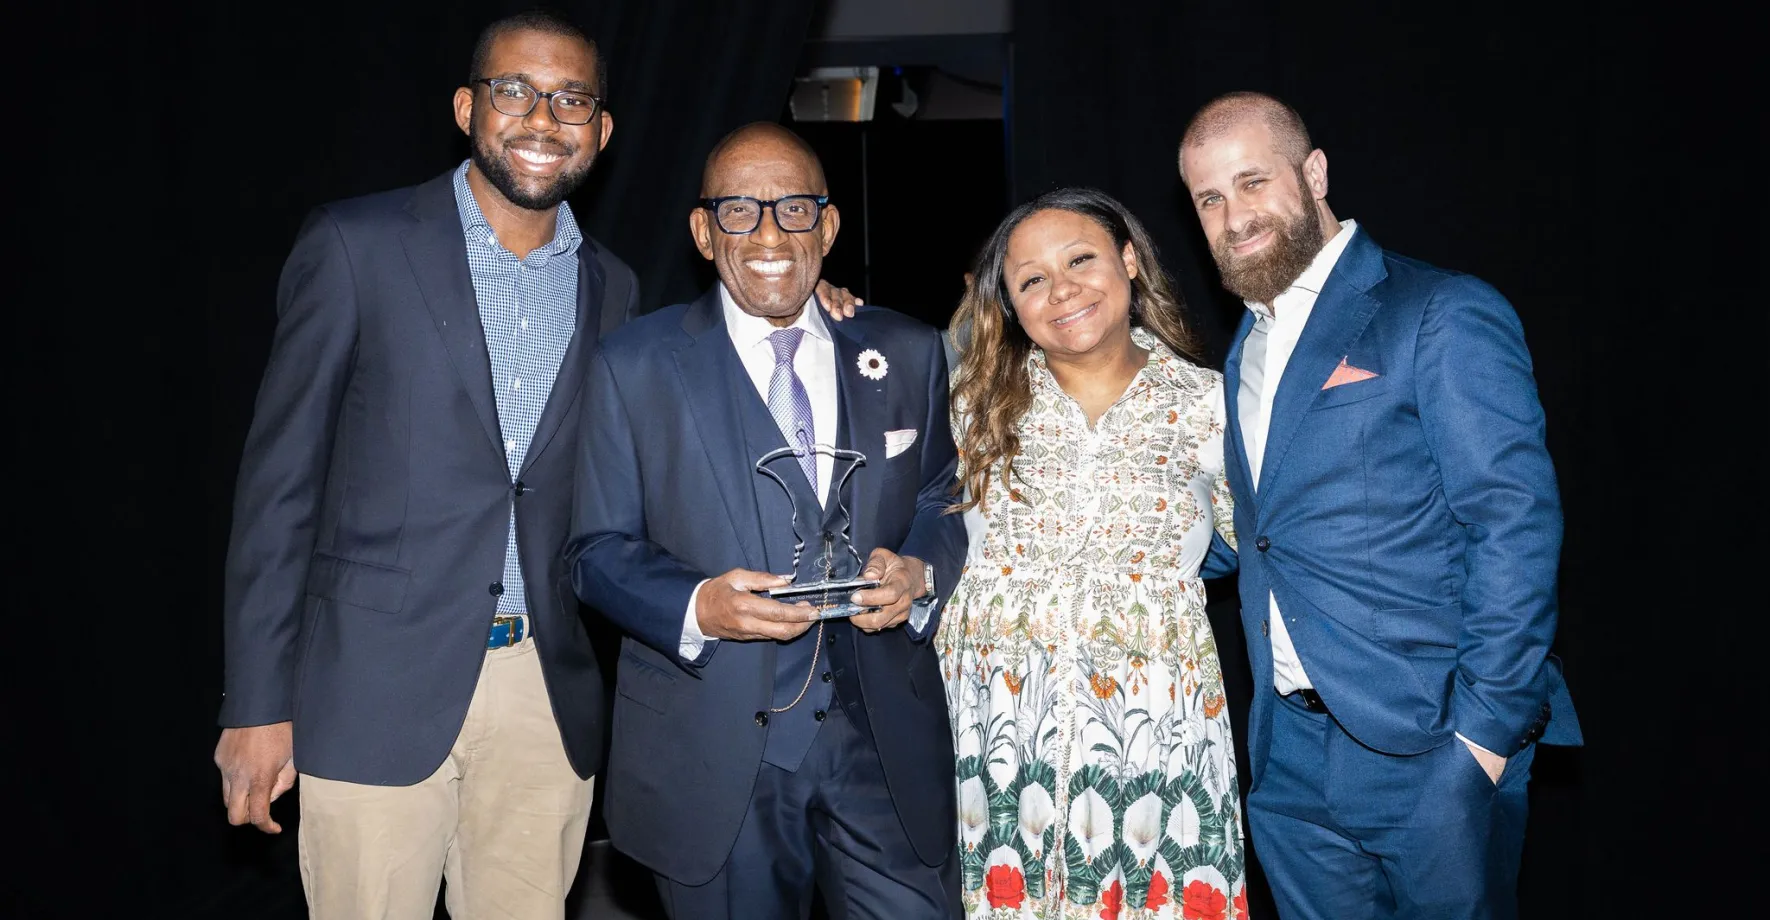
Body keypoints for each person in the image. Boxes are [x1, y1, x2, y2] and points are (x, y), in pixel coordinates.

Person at [210, 11, 860, 917]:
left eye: (571, 99)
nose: (542, 118)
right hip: (370, 693)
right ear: (468, 106)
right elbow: (277, 490)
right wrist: (256, 703)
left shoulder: (616, 289)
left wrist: (806, 303)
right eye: (515, 90)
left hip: (545, 701)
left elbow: (707, 373)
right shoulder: (357, 247)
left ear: (601, 131)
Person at [1176, 91, 1582, 920]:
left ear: (1314, 172)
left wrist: (1480, 740)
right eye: (1209, 199)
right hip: (1287, 757)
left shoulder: (1436, 311)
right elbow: (1256, 534)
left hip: (1431, 747)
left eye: (1253, 182)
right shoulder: (1245, 348)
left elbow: (1512, 523)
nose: (1234, 215)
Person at [566, 122, 966, 919]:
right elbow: (595, 551)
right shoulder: (633, 365)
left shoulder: (908, 348)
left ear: (828, 225)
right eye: (741, 211)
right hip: (711, 750)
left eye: (793, 208)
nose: (770, 232)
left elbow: (941, 496)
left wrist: (923, 567)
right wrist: (697, 605)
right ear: (703, 231)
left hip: (883, 743)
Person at [937, 187, 1245, 919]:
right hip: (995, 736)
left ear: (1130, 261)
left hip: (1157, 738)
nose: (1061, 289)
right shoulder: (964, 405)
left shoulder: (1215, 404)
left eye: (1081, 260)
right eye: (1032, 279)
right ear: (1010, 303)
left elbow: (1271, 552)